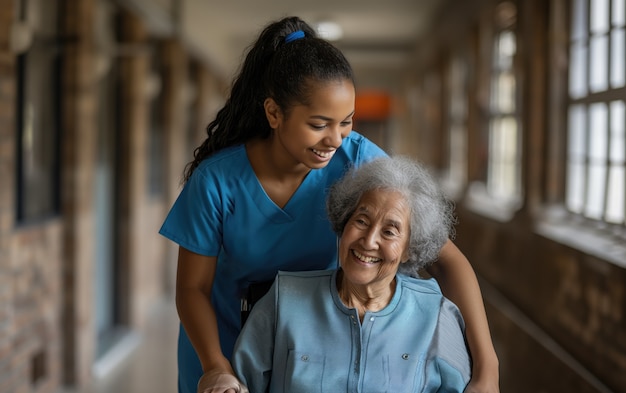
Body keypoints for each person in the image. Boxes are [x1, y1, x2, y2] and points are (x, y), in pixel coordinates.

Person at [159, 15, 498, 393]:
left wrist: (487, 370)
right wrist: (216, 366)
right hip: (222, 349)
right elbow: (192, 289)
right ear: (274, 113)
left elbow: (444, 259)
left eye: (346, 122)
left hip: (315, 356)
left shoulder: (359, 161)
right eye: (319, 124)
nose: (334, 139)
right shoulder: (217, 180)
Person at [232, 156, 471, 393]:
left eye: (389, 232)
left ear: (409, 248)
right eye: (361, 221)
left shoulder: (435, 314)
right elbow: (241, 382)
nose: (368, 241)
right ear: (344, 223)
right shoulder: (284, 299)